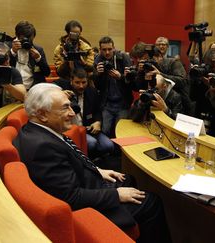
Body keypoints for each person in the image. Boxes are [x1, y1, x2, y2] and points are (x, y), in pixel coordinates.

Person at [13, 83, 171, 243]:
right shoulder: (43, 147)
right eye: (65, 108)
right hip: (85, 208)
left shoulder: (40, 130)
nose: (72, 113)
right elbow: (71, 197)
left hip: (85, 182)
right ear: (42, 114)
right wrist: (116, 195)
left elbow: (70, 159)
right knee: (152, 202)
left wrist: (97, 170)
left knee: (127, 179)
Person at [54, 68, 115, 160]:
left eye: (84, 82)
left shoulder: (92, 92)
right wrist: (59, 93)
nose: (81, 86)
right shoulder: (64, 90)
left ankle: (92, 158)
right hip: (71, 129)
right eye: (77, 82)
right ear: (71, 81)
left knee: (108, 145)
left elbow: (97, 111)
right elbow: (47, 87)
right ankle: (85, 160)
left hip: (88, 128)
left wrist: (98, 122)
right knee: (91, 143)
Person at [129, 42, 192, 115]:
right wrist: (140, 73)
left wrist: (160, 74)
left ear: (159, 56)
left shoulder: (173, 62)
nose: (145, 62)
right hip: (155, 105)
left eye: (146, 59)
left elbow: (183, 81)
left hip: (178, 106)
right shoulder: (145, 67)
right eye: (138, 59)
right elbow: (139, 88)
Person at [94, 36, 132, 137]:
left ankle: (118, 152)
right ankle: (107, 151)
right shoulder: (98, 60)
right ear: (100, 50)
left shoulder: (123, 58)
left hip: (122, 103)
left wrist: (120, 77)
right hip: (107, 104)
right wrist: (98, 74)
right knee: (105, 131)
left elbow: (132, 82)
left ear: (114, 48)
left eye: (109, 49)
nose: (107, 52)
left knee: (120, 133)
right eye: (104, 50)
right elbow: (97, 86)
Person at [9, 21, 50, 90]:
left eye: (30, 39)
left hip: (33, 89)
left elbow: (47, 73)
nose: (27, 42)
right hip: (13, 88)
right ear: (17, 35)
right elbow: (3, 69)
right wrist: (12, 52)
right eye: (23, 39)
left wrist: (38, 58)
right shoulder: (8, 46)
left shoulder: (38, 49)